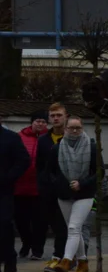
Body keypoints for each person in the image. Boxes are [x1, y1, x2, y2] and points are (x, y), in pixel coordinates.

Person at [46, 116, 97, 272]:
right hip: (64, 195)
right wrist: (59, 184)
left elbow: (98, 172)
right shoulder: (57, 148)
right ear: (66, 129)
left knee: (74, 228)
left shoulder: (92, 147)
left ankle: (66, 262)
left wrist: (82, 183)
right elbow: (50, 172)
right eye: (71, 128)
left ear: (82, 128)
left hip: (85, 194)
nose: (75, 131)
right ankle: (83, 263)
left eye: (78, 128)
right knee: (74, 230)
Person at [37, 103, 79, 272]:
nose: (55, 118)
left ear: (66, 116)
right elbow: (40, 166)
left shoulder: (73, 138)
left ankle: (62, 258)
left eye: (59, 115)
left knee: (67, 226)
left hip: (69, 189)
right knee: (55, 225)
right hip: (49, 190)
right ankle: (66, 257)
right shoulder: (43, 140)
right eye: (52, 115)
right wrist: (43, 184)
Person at [14, 111, 49, 261]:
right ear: (31, 122)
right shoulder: (20, 137)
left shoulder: (48, 138)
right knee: (21, 220)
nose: (40, 124)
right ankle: (26, 242)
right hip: (20, 186)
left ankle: (37, 250)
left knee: (40, 221)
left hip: (40, 187)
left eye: (43, 121)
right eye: (37, 121)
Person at [0, 115, 31, 272]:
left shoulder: (11, 138)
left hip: (4, 190)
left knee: (4, 224)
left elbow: (24, 160)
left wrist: (8, 177)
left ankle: (9, 257)